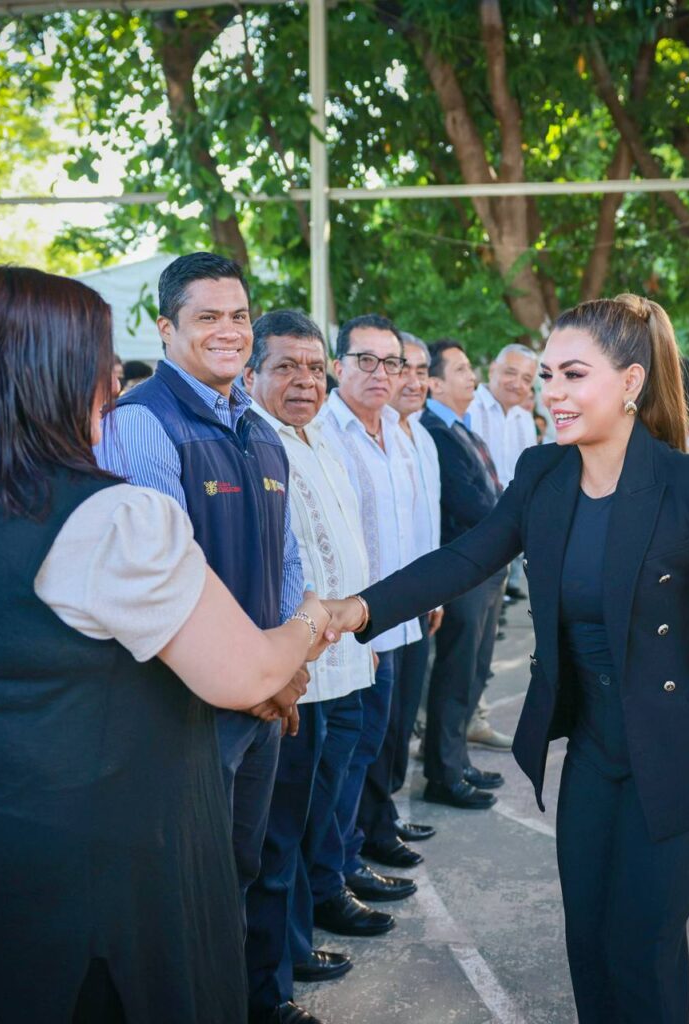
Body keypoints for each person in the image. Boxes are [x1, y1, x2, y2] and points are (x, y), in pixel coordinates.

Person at [0, 265, 331, 1024]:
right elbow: (245, 674)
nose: (111, 385)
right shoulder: (115, 518)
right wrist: (310, 620)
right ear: (65, 376)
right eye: (101, 365)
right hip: (77, 875)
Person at [324, 294, 689, 1024]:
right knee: (589, 940)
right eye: (547, 378)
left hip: (682, 751)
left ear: (630, 383)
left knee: (642, 943)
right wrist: (358, 610)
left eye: (571, 375)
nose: (551, 394)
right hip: (595, 749)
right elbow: (466, 556)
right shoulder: (542, 475)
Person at [96, 252, 307, 915]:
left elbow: (288, 560)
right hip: (183, 709)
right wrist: (255, 674)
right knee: (185, 888)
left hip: (260, 696)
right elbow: (166, 578)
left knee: (239, 870)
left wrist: (279, 668)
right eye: (207, 317)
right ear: (165, 328)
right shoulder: (142, 421)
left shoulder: (259, 429)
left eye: (240, 316)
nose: (229, 331)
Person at [243, 310, 377, 1024]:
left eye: (314, 367)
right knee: (280, 832)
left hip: (341, 659)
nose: (304, 381)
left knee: (311, 814)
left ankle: (292, 947)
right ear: (253, 374)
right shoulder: (255, 444)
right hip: (295, 671)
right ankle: (275, 974)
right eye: (287, 367)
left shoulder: (318, 436)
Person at [313, 313, 423, 916]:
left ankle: (351, 856)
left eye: (393, 362)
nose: (382, 374)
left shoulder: (396, 431)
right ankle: (336, 873)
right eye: (367, 360)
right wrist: (364, 628)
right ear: (339, 366)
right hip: (355, 631)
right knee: (346, 759)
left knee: (374, 747)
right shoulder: (326, 432)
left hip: (397, 619)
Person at [420, 339, 507, 809]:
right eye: (462, 368)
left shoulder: (463, 427)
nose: (472, 376)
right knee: (455, 673)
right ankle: (444, 773)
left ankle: (458, 761)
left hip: (488, 565)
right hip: (464, 568)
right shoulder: (435, 428)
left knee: (474, 671)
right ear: (435, 382)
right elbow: (472, 503)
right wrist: (516, 517)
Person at [382, 333, 442, 841]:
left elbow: (427, 523)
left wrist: (436, 591)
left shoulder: (420, 434)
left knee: (402, 717)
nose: (414, 380)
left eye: (423, 371)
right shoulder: (370, 430)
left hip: (421, 601)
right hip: (381, 608)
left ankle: (387, 816)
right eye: (407, 368)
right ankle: (374, 826)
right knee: (374, 731)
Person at [467, 342, 539, 751]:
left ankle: (475, 716)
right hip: (475, 536)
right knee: (463, 638)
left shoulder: (523, 419)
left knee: (486, 637)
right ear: (492, 368)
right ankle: (442, 725)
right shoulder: (472, 409)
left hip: (508, 543)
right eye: (510, 372)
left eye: (527, 378)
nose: (517, 383)